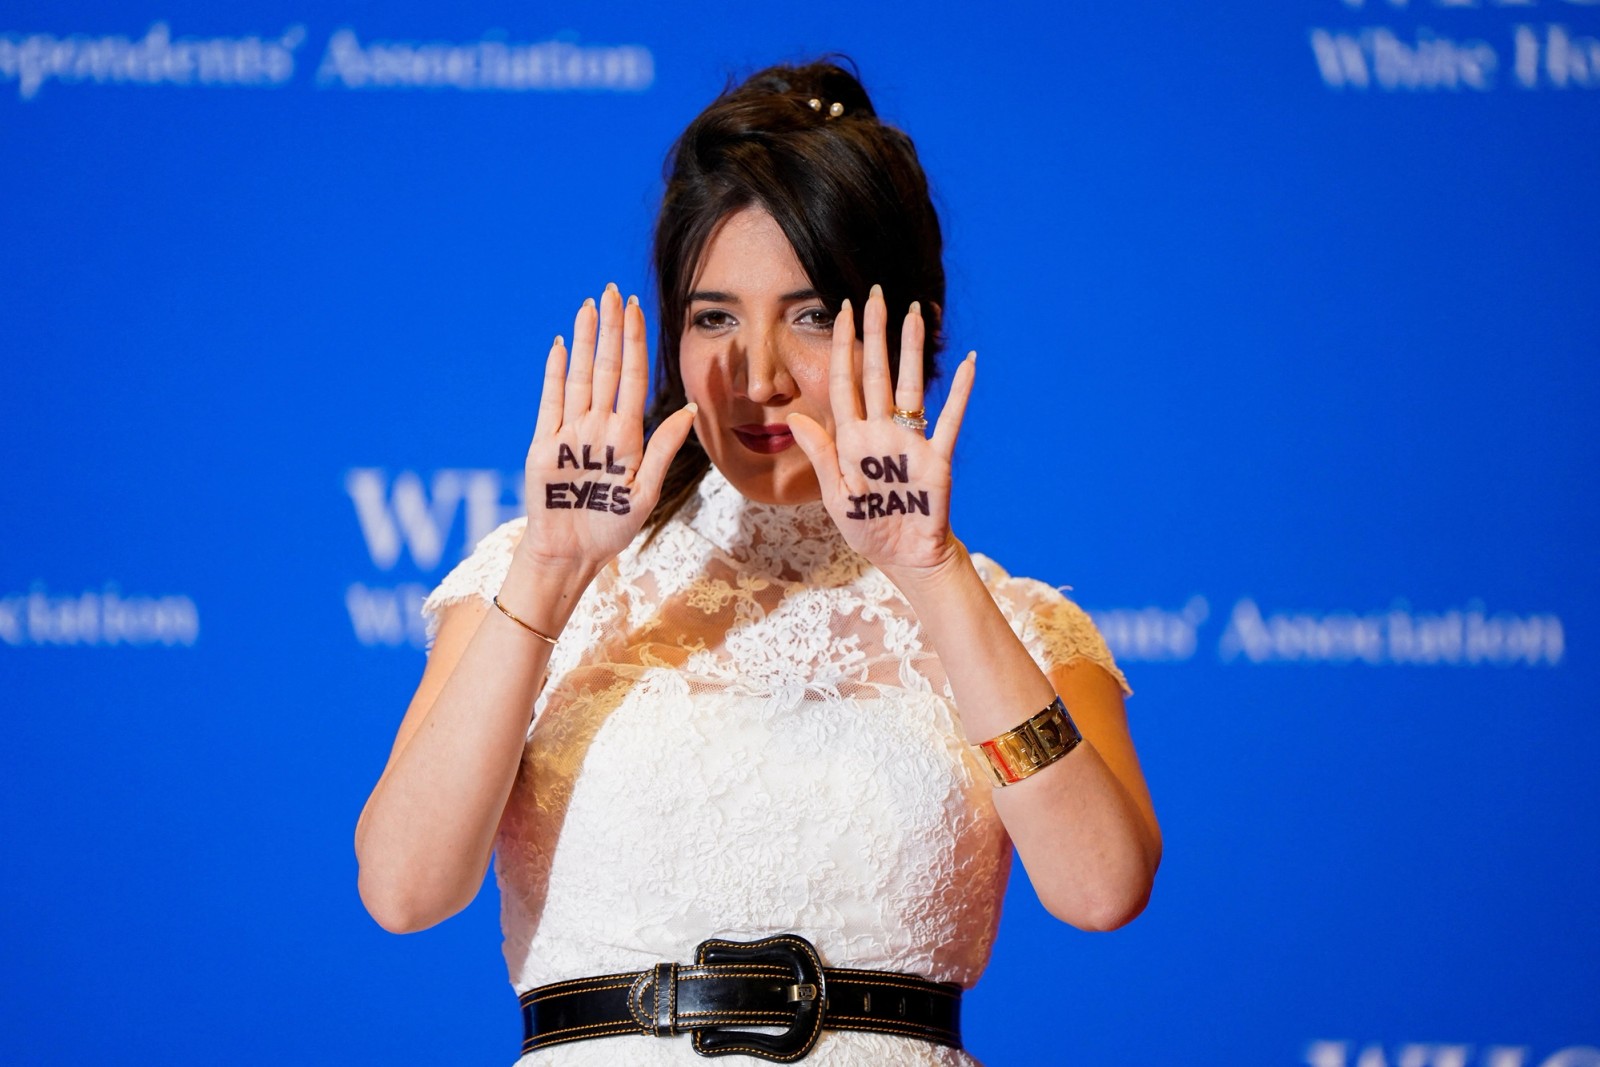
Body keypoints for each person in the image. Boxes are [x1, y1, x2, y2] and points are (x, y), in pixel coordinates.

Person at [355, 59, 1161, 1066]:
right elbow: (404, 888)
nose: (758, 373)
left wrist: (932, 571)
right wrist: (550, 573)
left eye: (810, 314)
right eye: (715, 317)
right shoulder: (537, 576)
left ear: (907, 326)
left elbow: (1098, 887)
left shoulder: (1015, 619)